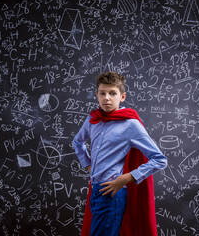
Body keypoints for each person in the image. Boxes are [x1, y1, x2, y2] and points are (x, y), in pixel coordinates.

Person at [72, 71, 168, 236]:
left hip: (112, 192)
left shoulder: (130, 124)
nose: (107, 98)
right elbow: (77, 142)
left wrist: (127, 178)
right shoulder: (92, 120)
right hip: (95, 189)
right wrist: (87, 164)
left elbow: (160, 160)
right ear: (97, 95)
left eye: (112, 93)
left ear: (122, 97)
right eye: (102, 93)